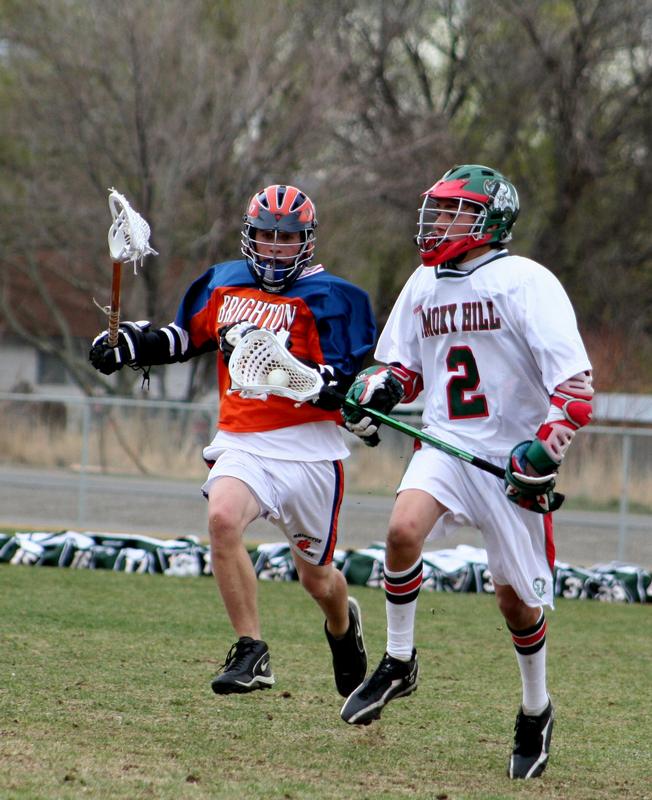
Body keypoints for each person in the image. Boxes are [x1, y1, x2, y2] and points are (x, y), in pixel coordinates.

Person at [339, 164, 593, 780]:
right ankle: (400, 661)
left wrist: (543, 452)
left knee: (515, 602)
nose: (440, 223)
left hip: (507, 457)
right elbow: (403, 372)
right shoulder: (423, 283)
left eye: (455, 212)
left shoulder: (526, 281)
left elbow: (575, 390)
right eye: (439, 211)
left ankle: (535, 708)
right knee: (402, 531)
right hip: (447, 442)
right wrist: (375, 389)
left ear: (491, 221)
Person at [89, 183, 376, 699]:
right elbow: (184, 337)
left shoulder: (333, 297)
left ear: (307, 241)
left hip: (308, 449)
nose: (275, 247)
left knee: (317, 580)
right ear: (250, 236)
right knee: (222, 519)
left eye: (286, 238)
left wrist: (304, 378)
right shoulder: (224, 281)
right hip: (244, 440)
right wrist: (134, 343)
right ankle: (251, 650)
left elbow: (340, 378)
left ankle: (342, 624)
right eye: (266, 235)